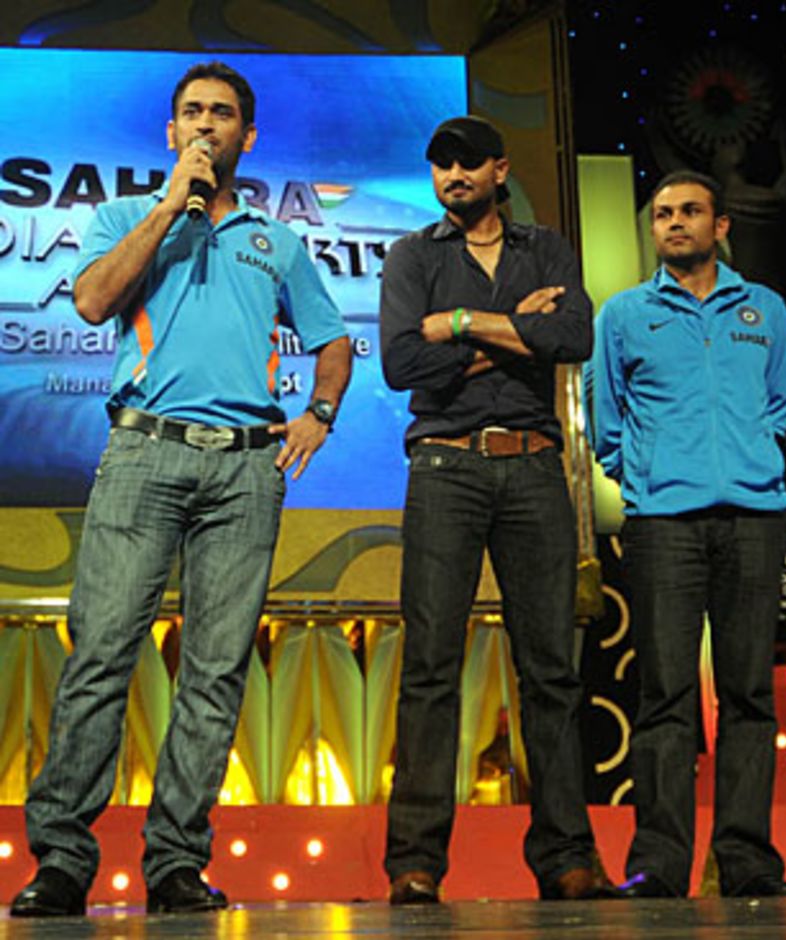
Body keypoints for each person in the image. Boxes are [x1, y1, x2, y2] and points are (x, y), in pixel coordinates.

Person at [11, 61, 352, 917]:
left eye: (223, 114)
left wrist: (317, 413)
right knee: (101, 655)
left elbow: (332, 339)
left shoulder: (277, 241)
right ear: (171, 134)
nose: (207, 125)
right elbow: (91, 302)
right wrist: (171, 205)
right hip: (143, 457)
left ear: (249, 135)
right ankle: (61, 860)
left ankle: (174, 863)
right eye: (192, 113)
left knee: (215, 671)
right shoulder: (126, 215)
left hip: (245, 470)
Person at [379, 115, 613, 903]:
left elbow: (574, 336)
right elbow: (402, 362)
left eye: (468, 163)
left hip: (534, 467)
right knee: (430, 667)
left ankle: (567, 858)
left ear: (500, 169)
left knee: (550, 670)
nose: (452, 175)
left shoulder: (542, 247)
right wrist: (520, 330)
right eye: (440, 164)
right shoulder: (414, 255)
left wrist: (462, 325)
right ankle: (414, 864)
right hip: (445, 466)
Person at [586, 170, 786, 898]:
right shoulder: (622, 315)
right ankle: (659, 865)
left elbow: (784, 405)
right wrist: (646, 477)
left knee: (748, 695)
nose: (674, 224)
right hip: (663, 524)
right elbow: (605, 424)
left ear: (722, 225)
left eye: (690, 212)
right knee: (665, 696)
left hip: (753, 519)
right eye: (664, 214)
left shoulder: (765, 310)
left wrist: (753, 462)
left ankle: (746, 863)